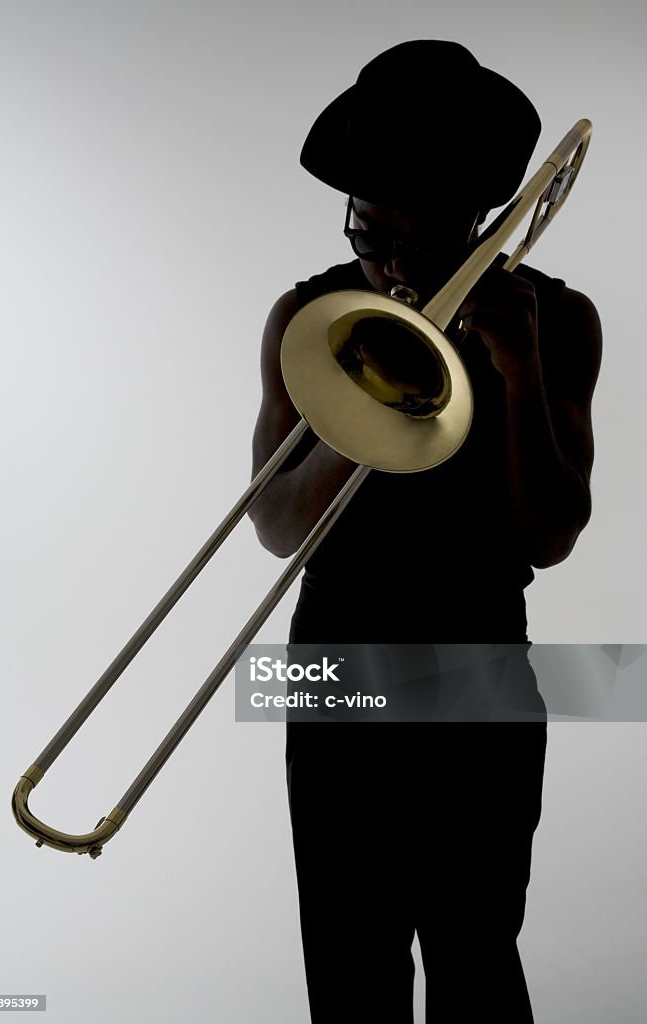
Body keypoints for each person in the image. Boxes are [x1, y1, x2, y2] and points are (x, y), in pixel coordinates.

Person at [248, 40, 602, 1024]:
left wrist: (518, 368)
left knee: (474, 955)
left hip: (476, 661)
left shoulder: (552, 319)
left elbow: (547, 536)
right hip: (331, 666)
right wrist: (362, 409)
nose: (393, 266)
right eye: (371, 235)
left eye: (421, 243)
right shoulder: (305, 315)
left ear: (476, 222)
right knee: (348, 963)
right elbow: (274, 528)